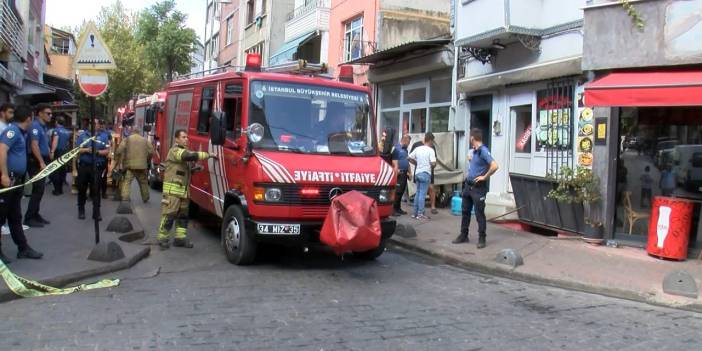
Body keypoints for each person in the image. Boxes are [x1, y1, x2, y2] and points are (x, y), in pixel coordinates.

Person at [158, 130, 216, 249]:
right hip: (173, 192)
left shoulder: (184, 153)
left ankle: (180, 239)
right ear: (176, 139)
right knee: (169, 214)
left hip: (183, 192)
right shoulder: (175, 151)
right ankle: (163, 238)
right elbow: (188, 156)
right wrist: (208, 154)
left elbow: (183, 171)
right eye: (183, 137)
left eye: (187, 137)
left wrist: (194, 170)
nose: (186, 139)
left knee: (183, 217)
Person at [0, 105, 43, 262]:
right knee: (1, 217)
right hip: (8, 180)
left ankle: (23, 248)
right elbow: (2, 149)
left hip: (16, 181)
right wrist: (4, 175)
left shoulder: (21, 133)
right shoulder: (12, 132)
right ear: (28, 119)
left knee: (15, 216)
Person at [453, 128, 499, 249]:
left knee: (479, 214)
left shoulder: (483, 150)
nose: (469, 139)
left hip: (478, 188)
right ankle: (464, 235)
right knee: (465, 211)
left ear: (472, 138)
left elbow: (495, 166)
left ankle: (482, 238)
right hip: (468, 186)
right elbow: (476, 165)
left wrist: (485, 177)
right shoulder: (475, 151)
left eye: (470, 137)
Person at [75, 119, 111, 220]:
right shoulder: (82, 136)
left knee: (96, 190)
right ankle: (81, 210)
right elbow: (77, 149)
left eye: (95, 123)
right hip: (84, 166)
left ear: (99, 125)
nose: (93, 125)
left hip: (97, 167)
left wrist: (97, 152)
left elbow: (108, 151)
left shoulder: (104, 136)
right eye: (91, 123)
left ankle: (96, 212)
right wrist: (87, 150)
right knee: (82, 189)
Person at [23, 104, 52, 228]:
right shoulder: (35, 126)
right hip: (35, 161)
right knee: (38, 189)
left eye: (51, 113)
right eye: (48, 113)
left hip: (41, 159)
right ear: (40, 113)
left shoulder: (43, 127)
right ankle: (29, 218)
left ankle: (35, 214)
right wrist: (41, 161)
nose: (51, 115)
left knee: (40, 190)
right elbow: (34, 145)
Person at [115, 124, 153, 203]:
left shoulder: (127, 139)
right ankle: (146, 197)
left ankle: (125, 197)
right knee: (143, 182)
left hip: (130, 166)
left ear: (132, 131)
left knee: (127, 181)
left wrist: (117, 161)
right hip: (142, 166)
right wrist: (147, 160)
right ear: (139, 132)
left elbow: (119, 150)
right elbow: (151, 152)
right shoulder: (145, 140)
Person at [408, 133, 436, 221]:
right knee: (422, 194)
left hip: (417, 173)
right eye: (432, 141)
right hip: (425, 174)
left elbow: (408, 157)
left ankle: (414, 213)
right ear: (430, 140)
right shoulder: (431, 150)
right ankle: (420, 214)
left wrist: (415, 163)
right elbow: (433, 163)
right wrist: (431, 165)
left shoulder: (417, 148)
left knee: (418, 193)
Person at [49, 115, 71, 195]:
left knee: (55, 171)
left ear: (56, 122)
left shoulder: (56, 130)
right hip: (64, 152)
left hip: (57, 152)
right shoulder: (66, 131)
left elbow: (55, 141)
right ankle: (61, 189)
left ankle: (57, 190)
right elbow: (67, 143)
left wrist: (52, 151)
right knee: (62, 171)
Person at [392, 134, 411, 216]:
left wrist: (410, 172)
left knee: (402, 191)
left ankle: (398, 208)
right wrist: (396, 169)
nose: (409, 144)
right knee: (397, 192)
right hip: (399, 173)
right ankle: (393, 209)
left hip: (405, 173)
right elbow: (392, 160)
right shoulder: (396, 148)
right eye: (408, 142)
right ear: (404, 140)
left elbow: (407, 161)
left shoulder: (405, 150)